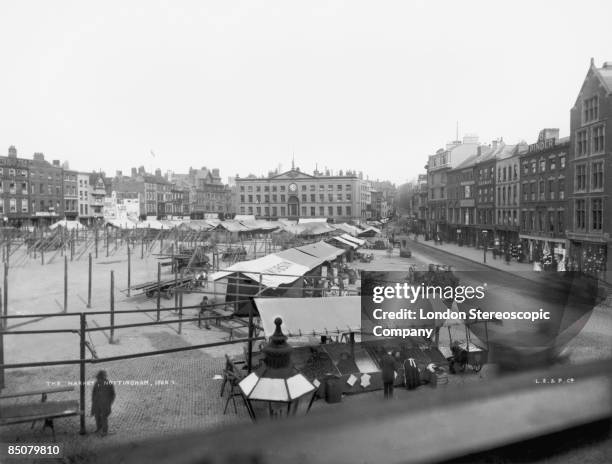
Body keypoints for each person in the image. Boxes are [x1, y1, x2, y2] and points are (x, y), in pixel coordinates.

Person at [91, 370, 116, 436]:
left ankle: (104, 431)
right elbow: (94, 393)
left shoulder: (108, 384)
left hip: (105, 404)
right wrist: (94, 401)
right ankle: (99, 428)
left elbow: (112, 394)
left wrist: (110, 402)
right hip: (98, 403)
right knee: (97, 416)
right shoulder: (97, 383)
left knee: (103, 417)